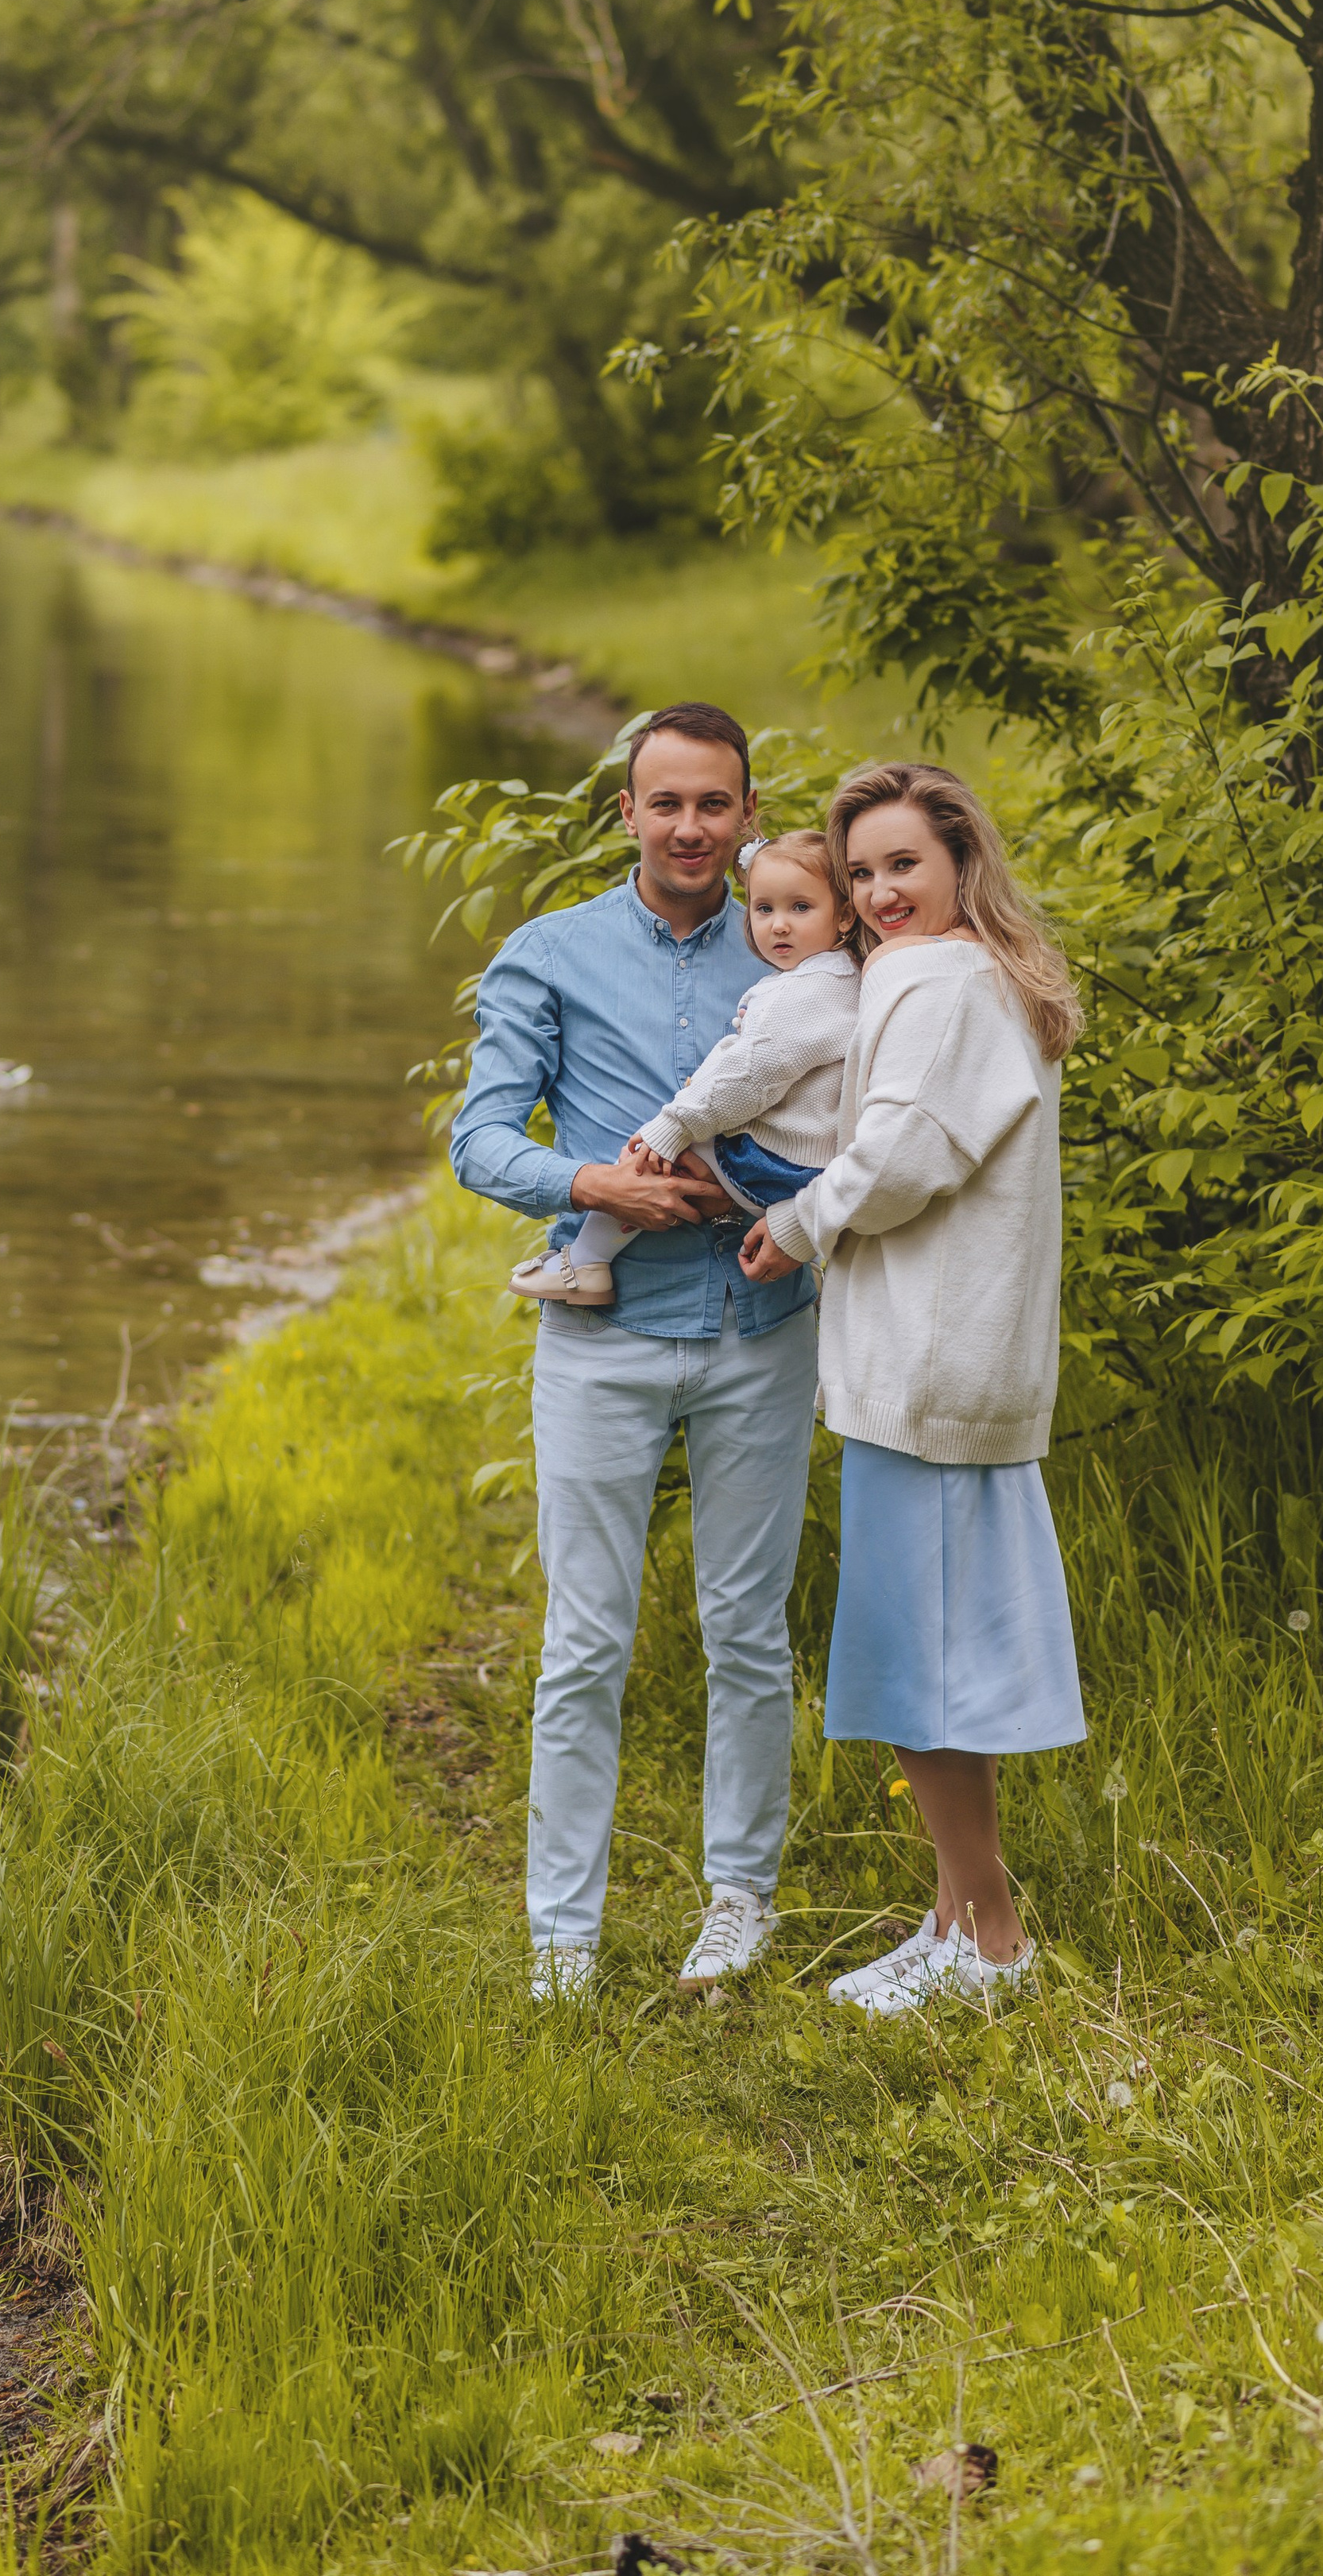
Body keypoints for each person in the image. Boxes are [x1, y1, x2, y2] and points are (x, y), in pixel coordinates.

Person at [448, 704, 822, 2002]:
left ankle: (740, 1903)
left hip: (759, 1329)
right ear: (626, 812)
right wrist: (591, 1177)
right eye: (665, 803)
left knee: (747, 1631)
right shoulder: (548, 956)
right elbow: (479, 1140)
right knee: (585, 1644)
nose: (690, 828)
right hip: (599, 1339)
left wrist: (773, 1202)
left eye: (714, 804)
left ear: (747, 813)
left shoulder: (804, 948)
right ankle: (562, 1937)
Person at [740, 760, 1086, 2016]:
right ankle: (952, 1921)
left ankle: (990, 1943)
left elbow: (901, 1155)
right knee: (931, 1655)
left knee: (920, 1662)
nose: (882, 893)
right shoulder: (967, 976)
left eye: (905, 866)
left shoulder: (939, 982)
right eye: (863, 873)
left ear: (959, 865)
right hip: (947, 1367)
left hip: (930, 1371)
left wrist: (794, 1222)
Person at [507, 828, 861, 1307]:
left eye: (801, 908)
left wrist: (672, 1125)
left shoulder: (806, 991)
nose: (779, 925)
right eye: (764, 909)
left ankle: (586, 1263)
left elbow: (749, 1075)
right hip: (805, 1165)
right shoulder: (838, 979)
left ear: (843, 916)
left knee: (648, 1163)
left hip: (771, 1159)